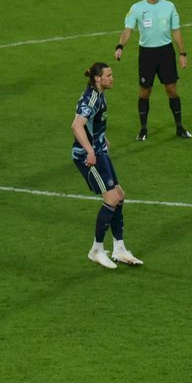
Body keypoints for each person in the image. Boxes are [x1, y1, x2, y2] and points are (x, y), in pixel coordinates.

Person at [71, 63, 143, 269]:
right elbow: (76, 126)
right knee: (111, 198)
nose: (112, 78)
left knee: (119, 195)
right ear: (97, 78)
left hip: (99, 151)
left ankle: (119, 249)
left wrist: (102, 138)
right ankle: (96, 250)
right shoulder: (91, 98)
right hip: (86, 157)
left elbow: (93, 123)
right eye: (108, 75)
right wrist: (90, 151)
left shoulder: (99, 95)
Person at [115, 0, 192, 141]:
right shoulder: (136, 8)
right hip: (147, 54)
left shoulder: (169, 6)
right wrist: (120, 46)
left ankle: (179, 127)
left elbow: (176, 31)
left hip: (166, 53)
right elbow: (128, 30)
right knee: (145, 92)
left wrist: (182, 53)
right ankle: (143, 129)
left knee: (172, 90)